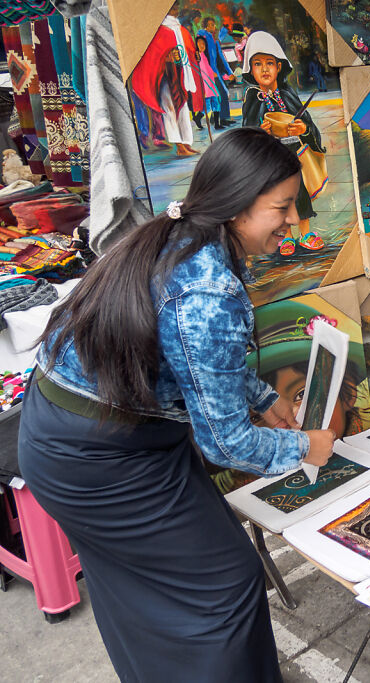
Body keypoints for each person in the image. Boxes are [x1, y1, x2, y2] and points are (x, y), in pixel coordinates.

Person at [18, 128, 337, 682]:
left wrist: (262, 398)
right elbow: (225, 443)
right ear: (236, 205)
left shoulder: (185, 235)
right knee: (227, 583)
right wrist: (308, 444)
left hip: (78, 432)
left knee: (146, 586)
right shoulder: (206, 287)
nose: (291, 221)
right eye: (281, 208)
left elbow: (191, 358)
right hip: (96, 458)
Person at [241, 31, 326, 256]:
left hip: (294, 154)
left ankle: (306, 233)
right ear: (251, 69)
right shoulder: (252, 97)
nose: (265, 69)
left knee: (301, 194)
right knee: (280, 200)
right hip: (271, 161)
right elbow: (245, 133)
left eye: (270, 63)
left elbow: (307, 124)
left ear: (279, 67)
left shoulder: (287, 94)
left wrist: (304, 129)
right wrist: (259, 132)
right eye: (258, 64)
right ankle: (286, 236)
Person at [130, 7, 204, 156]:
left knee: (183, 108)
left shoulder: (181, 28)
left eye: (176, 6)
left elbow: (188, 50)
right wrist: (168, 57)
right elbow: (153, 54)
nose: (175, 10)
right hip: (164, 76)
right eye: (172, 7)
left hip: (180, 74)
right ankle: (179, 146)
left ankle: (186, 144)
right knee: (169, 109)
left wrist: (194, 55)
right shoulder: (158, 30)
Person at [198, 16, 238, 128]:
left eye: (213, 24)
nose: (213, 26)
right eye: (211, 24)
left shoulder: (213, 40)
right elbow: (205, 57)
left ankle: (220, 118)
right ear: (206, 26)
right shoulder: (203, 37)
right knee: (221, 94)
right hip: (210, 73)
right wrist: (210, 71)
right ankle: (219, 119)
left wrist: (229, 72)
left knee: (221, 94)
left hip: (216, 72)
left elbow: (220, 58)